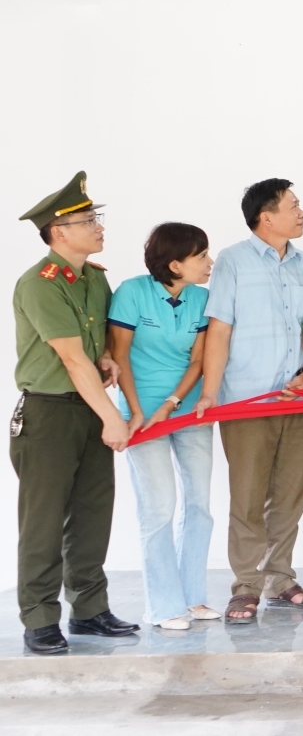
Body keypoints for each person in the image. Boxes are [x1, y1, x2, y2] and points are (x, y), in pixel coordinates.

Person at [11, 172, 139, 654]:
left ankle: (89, 610)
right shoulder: (41, 284)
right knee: (43, 522)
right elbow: (69, 358)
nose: (99, 226)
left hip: (87, 409)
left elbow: (93, 346)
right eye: (89, 220)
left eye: (96, 217)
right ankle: (40, 619)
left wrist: (107, 355)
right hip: (49, 415)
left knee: (91, 513)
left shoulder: (93, 279)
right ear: (58, 232)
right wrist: (112, 416)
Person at [200, 178, 303, 623]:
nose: (302, 213)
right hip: (247, 400)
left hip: (297, 399)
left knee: (291, 493)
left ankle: (280, 578)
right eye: (294, 206)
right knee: (249, 496)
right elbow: (219, 329)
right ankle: (245, 586)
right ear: (266, 216)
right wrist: (212, 392)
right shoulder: (233, 262)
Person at [109, 223, 220, 630]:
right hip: (141, 415)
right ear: (174, 264)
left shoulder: (203, 298)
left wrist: (174, 403)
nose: (210, 263)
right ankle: (162, 605)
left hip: (189, 412)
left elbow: (197, 361)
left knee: (199, 506)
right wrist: (138, 412)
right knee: (157, 509)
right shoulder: (131, 292)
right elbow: (118, 357)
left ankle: (192, 599)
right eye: (201, 256)